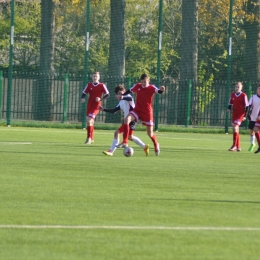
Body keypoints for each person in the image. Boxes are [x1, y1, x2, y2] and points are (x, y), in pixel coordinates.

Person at [116, 73, 165, 156]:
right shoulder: (137, 86)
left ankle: (156, 144)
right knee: (126, 120)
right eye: (142, 82)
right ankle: (125, 141)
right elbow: (129, 90)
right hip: (137, 110)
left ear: (148, 81)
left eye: (145, 82)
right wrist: (122, 95)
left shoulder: (151, 87)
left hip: (147, 112)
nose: (143, 83)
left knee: (150, 133)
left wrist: (162, 90)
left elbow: (159, 92)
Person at [99, 85, 149, 156]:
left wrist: (123, 96)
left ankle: (111, 151)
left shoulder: (128, 96)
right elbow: (113, 111)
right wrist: (104, 109)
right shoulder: (120, 103)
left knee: (116, 133)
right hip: (126, 121)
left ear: (124, 92)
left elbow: (128, 98)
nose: (120, 95)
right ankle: (144, 146)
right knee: (130, 137)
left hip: (132, 120)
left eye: (121, 93)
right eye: (118, 93)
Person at [81, 72, 110, 144]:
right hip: (89, 105)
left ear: (99, 77)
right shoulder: (89, 85)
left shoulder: (102, 85)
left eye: (96, 76)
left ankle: (89, 138)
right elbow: (84, 93)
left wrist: (100, 99)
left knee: (89, 121)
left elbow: (107, 94)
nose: (95, 77)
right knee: (90, 122)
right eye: (94, 76)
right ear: (92, 77)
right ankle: (92, 138)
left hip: (96, 106)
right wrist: (82, 98)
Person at [227, 82, 249, 152]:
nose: (237, 88)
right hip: (234, 114)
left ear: (241, 88)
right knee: (235, 129)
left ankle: (234, 146)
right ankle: (238, 146)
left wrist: (245, 116)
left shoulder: (243, 95)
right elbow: (230, 103)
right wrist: (228, 109)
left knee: (236, 127)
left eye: (238, 87)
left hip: (240, 114)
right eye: (236, 87)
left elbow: (247, 107)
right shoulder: (232, 95)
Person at [247, 84, 260, 152]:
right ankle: (252, 144)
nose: (259, 90)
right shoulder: (253, 97)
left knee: (256, 130)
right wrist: (248, 113)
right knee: (252, 131)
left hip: (259, 118)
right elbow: (249, 106)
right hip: (253, 117)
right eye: (259, 88)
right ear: (257, 89)